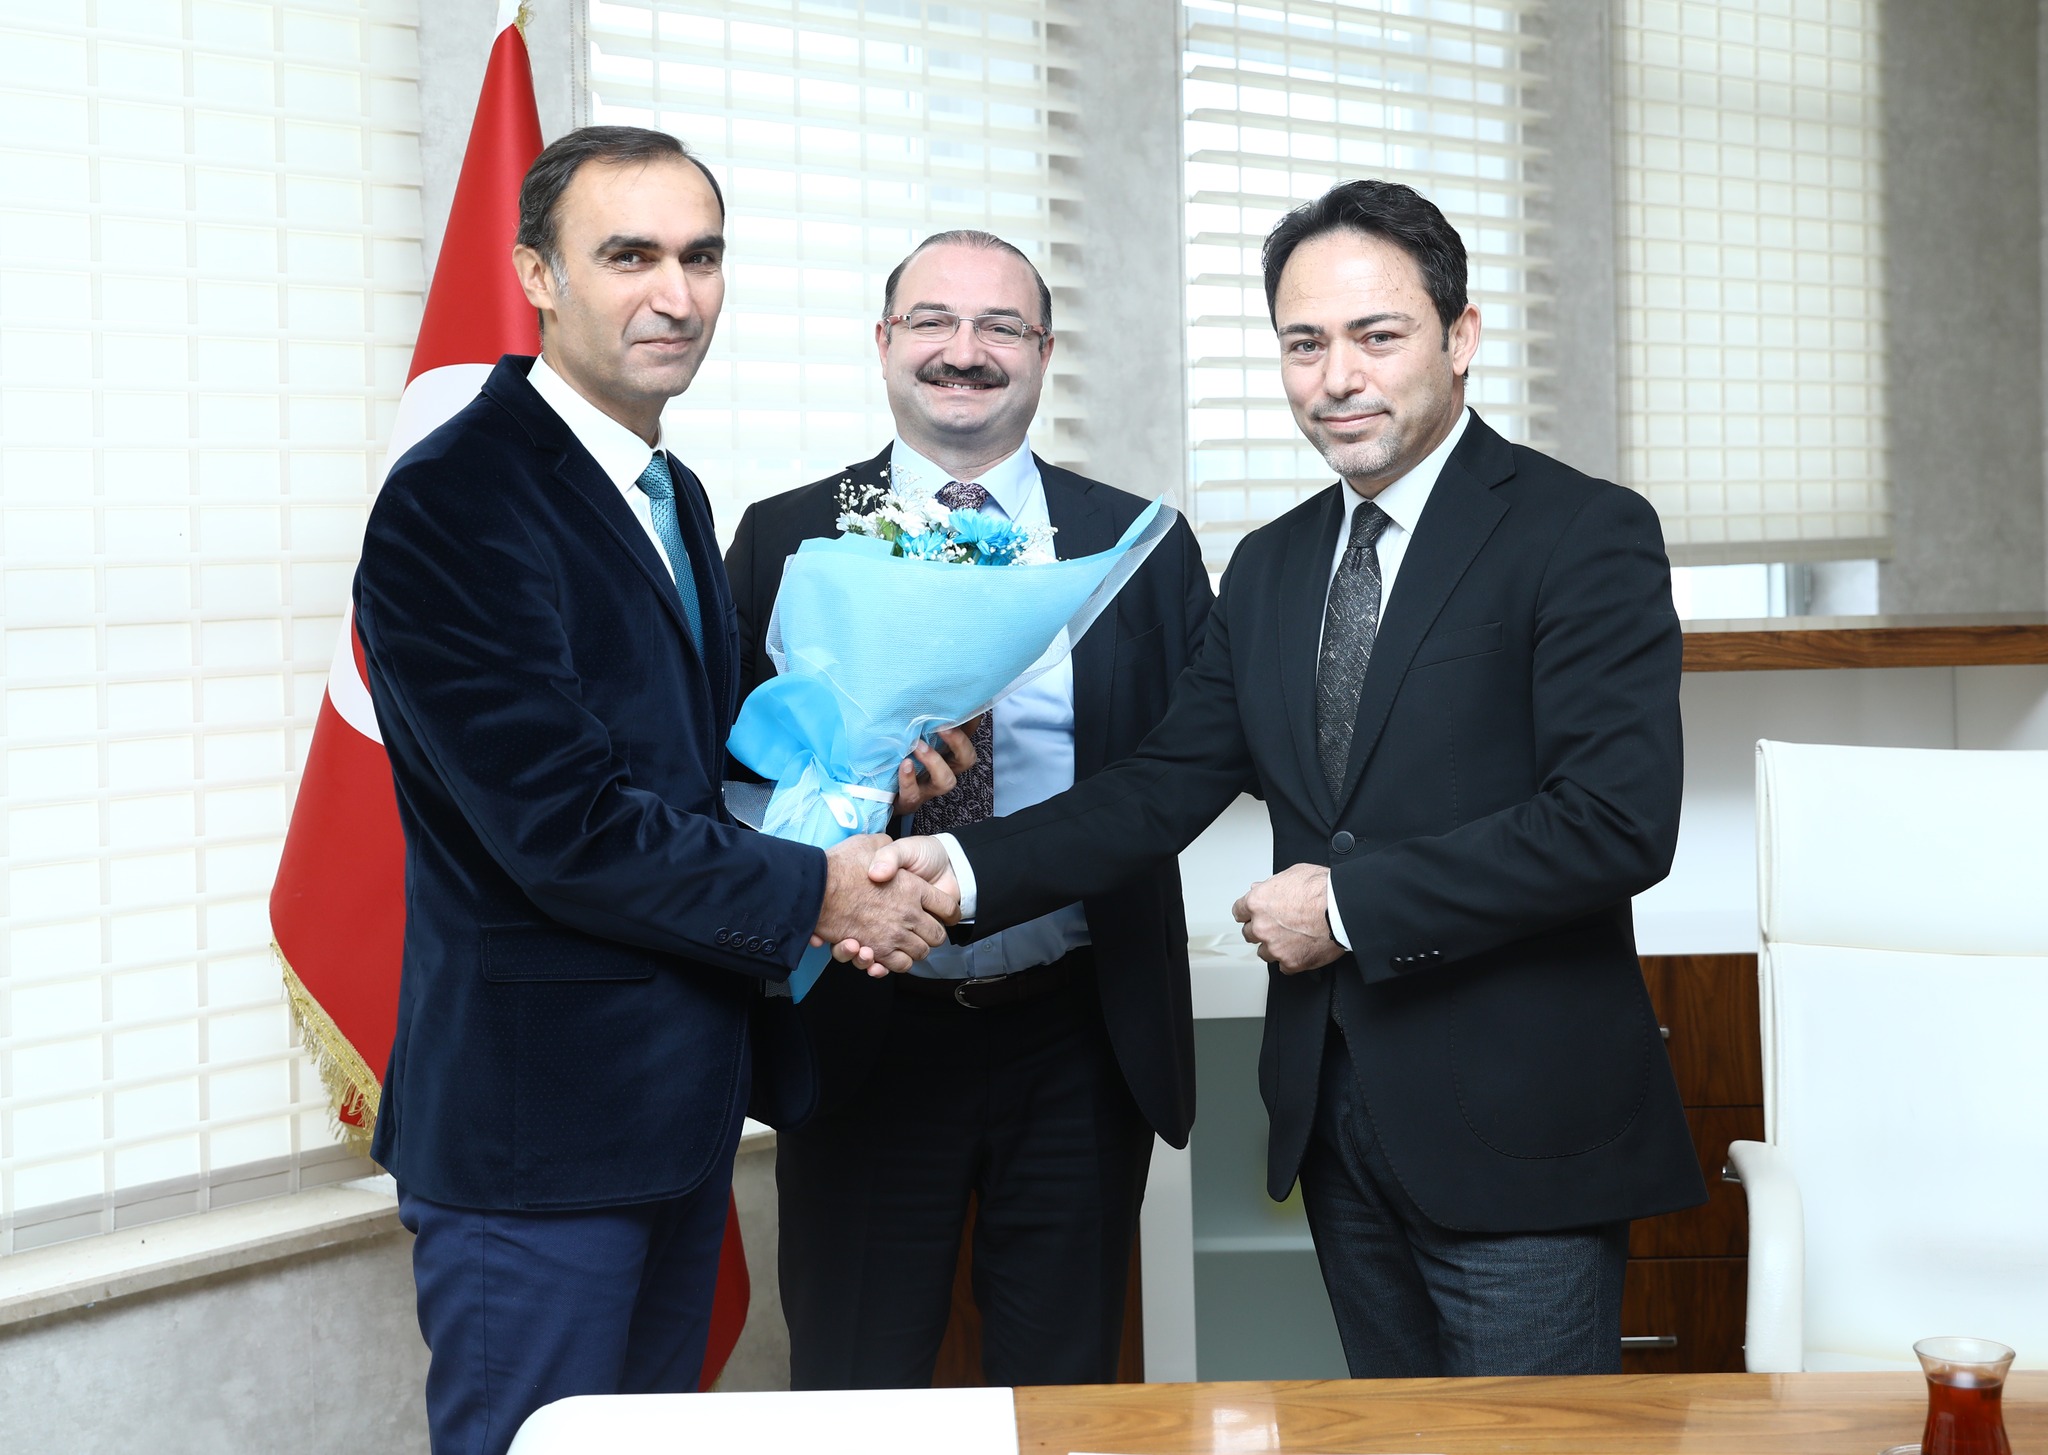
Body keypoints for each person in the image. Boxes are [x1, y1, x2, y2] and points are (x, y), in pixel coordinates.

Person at [870, 181, 1707, 1377]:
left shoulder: (1581, 532)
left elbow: (1611, 822)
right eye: (1303, 344)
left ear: (1459, 338)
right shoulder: (1270, 565)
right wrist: (949, 869)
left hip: (1519, 1130)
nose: (1336, 378)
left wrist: (1345, 907)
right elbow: (1160, 784)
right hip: (1334, 1120)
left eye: (1377, 336)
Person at [352, 126, 956, 1454]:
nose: (676, 295)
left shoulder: (667, 490)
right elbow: (563, 824)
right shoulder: (457, 501)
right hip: (537, 1137)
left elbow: (688, 767)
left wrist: (861, 771)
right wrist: (821, 891)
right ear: (538, 275)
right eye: (629, 256)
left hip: (671, 1113)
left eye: (702, 256)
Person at [724, 229, 1214, 1388]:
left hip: (1077, 1030)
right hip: (864, 1031)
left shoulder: (1135, 544)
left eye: (999, 325)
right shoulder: (786, 535)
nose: (964, 350)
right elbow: (724, 776)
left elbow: (1187, 764)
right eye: (932, 322)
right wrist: (849, 794)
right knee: (854, 1390)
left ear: (1042, 350)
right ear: (883, 342)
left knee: (1065, 1394)